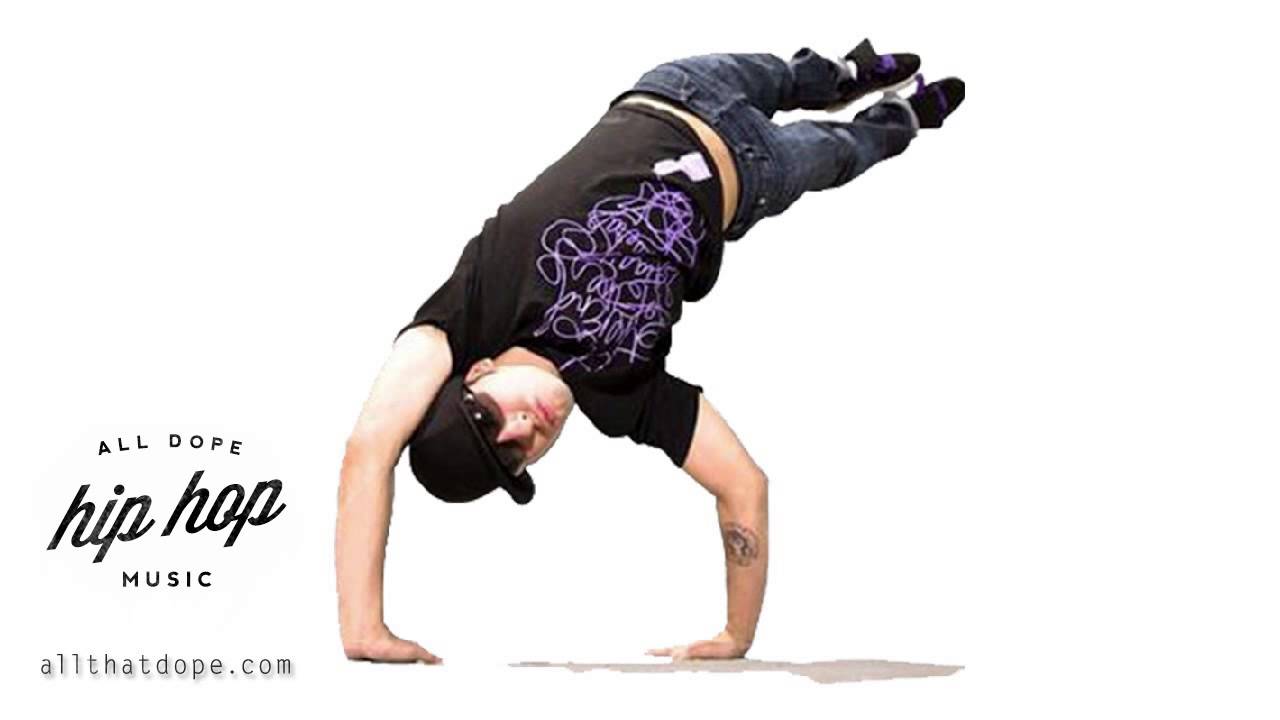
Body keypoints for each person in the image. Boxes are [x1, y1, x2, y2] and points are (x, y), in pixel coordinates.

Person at [335, 41, 965, 665]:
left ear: (479, 372)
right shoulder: (625, 395)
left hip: (674, 92)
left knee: (795, 78)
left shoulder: (475, 306)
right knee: (849, 149)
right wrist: (736, 635)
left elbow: (370, 447)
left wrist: (362, 627)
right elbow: (743, 485)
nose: (522, 429)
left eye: (488, 417)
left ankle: (848, 72)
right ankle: (903, 116)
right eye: (515, 454)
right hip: (754, 173)